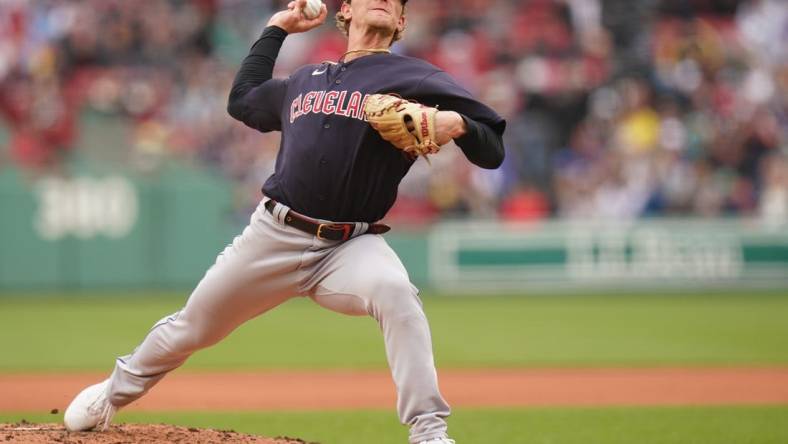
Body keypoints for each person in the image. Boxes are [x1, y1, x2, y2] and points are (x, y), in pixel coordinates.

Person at [63, 1, 505, 443]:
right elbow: (242, 101)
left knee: (395, 292)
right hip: (273, 234)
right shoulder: (304, 79)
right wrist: (277, 27)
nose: (385, 0)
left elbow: (493, 147)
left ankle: (429, 433)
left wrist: (459, 123)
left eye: (397, 0)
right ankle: (113, 393)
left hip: (350, 247)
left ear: (402, 22)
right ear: (346, 10)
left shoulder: (419, 79)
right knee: (192, 327)